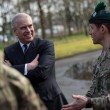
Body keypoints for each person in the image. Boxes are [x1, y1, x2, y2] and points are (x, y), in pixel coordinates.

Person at [4, 12, 68, 110]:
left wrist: (12, 69)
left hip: (51, 102)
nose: (28, 30)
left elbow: (42, 73)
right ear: (14, 31)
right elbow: (5, 78)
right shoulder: (8, 51)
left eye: (30, 26)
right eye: (23, 28)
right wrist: (28, 67)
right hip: (25, 105)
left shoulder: (46, 45)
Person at [62, 1, 110, 110]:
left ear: (102, 29)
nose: (90, 33)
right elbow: (96, 87)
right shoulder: (102, 55)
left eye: (92, 28)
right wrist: (83, 100)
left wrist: (89, 102)